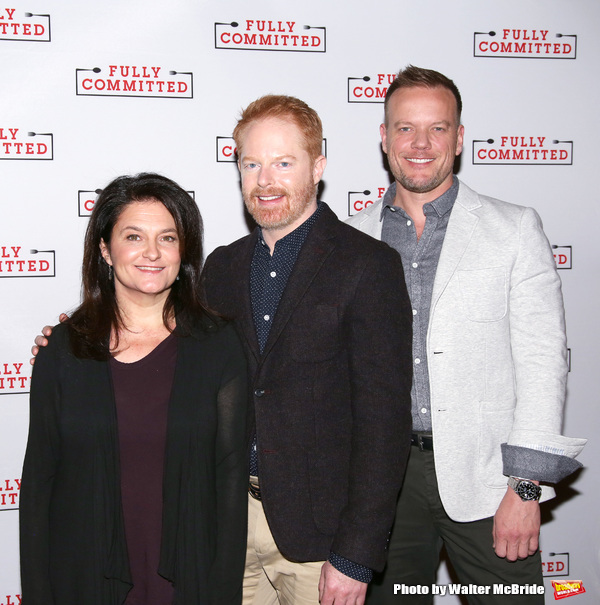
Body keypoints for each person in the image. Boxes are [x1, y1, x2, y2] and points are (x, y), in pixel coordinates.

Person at [346, 66, 587, 604]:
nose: (421, 143)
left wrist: (526, 488)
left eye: (438, 128)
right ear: (384, 138)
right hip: (381, 482)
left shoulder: (514, 227)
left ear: (459, 138)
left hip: (489, 480)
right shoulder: (350, 238)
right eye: (405, 128)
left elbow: (544, 365)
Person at [200, 95, 413, 605]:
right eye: (251, 164)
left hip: (320, 540)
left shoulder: (367, 266)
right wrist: (82, 341)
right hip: (226, 524)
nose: (265, 180)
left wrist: (356, 555)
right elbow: (172, 358)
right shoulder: (221, 268)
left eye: (283, 163)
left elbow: (384, 423)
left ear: (317, 167)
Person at [21, 173, 248, 605]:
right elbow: (38, 487)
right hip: (82, 576)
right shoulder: (63, 351)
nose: (151, 253)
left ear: (184, 252)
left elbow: (230, 482)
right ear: (105, 249)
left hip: (186, 578)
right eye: (133, 236)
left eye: (167, 237)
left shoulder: (217, 346)